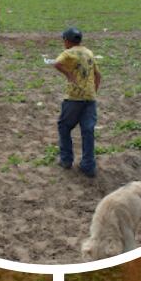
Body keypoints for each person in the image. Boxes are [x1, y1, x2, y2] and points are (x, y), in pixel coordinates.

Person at [49, 27, 101, 178]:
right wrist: (93, 92)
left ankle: (66, 160)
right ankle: (88, 166)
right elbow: (98, 76)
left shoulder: (69, 52)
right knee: (88, 131)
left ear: (67, 40)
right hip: (90, 99)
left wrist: (69, 75)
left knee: (64, 126)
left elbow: (57, 63)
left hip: (74, 98)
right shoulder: (89, 53)